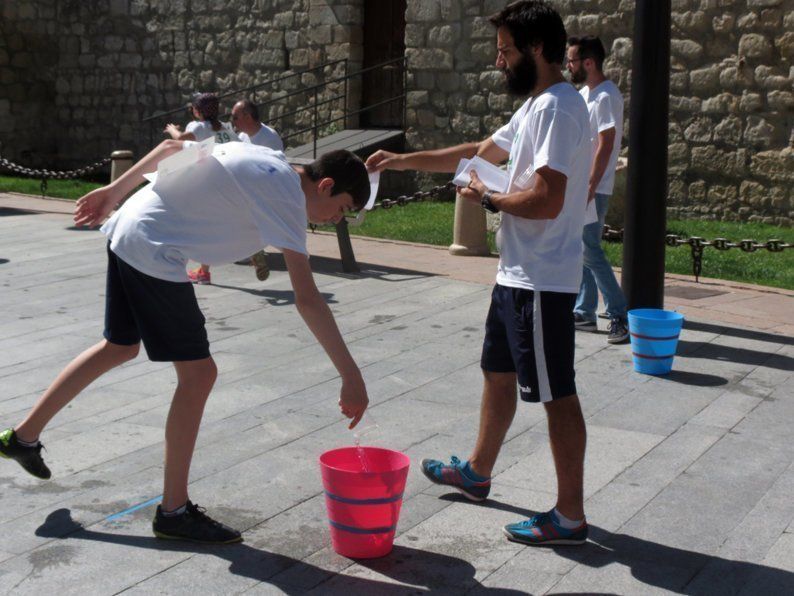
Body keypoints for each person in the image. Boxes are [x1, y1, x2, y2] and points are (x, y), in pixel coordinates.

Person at [0, 140, 370, 544]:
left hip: (132, 229)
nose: (338, 220)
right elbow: (308, 298)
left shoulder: (270, 159)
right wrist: (351, 376)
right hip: (154, 249)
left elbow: (175, 147)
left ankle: (22, 438)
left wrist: (113, 193)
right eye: (344, 209)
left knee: (120, 347)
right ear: (326, 185)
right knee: (199, 374)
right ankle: (173, 511)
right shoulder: (284, 193)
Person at [367, 0, 591, 546]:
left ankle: (569, 515)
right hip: (514, 275)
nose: (498, 62)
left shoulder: (560, 109)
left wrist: (487, 196)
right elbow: (476, 152)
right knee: (497, 372)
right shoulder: (536, 106)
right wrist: (401, 160)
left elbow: (547, 200)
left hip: (541, 281)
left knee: (557, 392)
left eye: (505, 51)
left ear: (536, 50)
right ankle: (477, 472)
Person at [567, 36, 629, 344]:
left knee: (589, 248)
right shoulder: (584, 94)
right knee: (583, 248)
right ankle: (585, 312)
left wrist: (590, 185)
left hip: (595, 187)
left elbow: (606, 145)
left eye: (572, 61)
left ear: (588, 63)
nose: (568, 66)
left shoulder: (606, 96)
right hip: (582, 185)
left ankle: (619, 313)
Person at [164, 92, 239, 284]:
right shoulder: (225, 129)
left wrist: (172, 130)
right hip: (222, 181)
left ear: (197, 111)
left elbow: (181, 138)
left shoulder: (198, 126)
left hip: (201, 182)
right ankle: (204, 272)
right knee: (210, 225)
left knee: (188, 223)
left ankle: (177, 263)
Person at [231, 99, 286, 281]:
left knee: (245, 204)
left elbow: (275, 169)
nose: (233, 122)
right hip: (247, 187)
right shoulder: (242, 137)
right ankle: (251, 249)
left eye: (235, 117)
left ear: (247, 116)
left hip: (267, 189)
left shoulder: (269, 137)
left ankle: (252, 249)